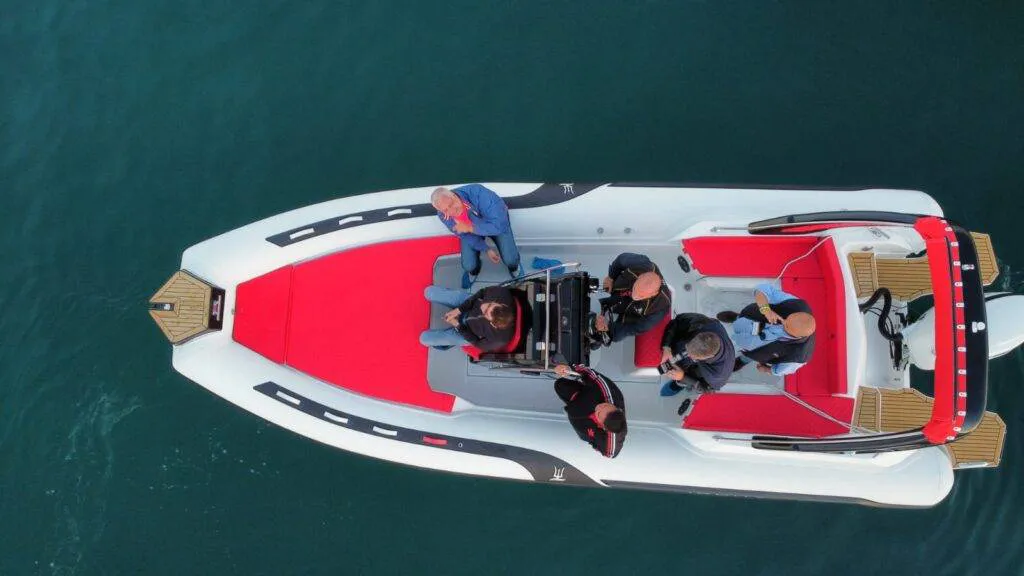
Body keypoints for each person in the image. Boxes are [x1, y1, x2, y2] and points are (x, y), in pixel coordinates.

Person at [432, 184, 521, 289]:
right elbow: (465, 235)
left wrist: (470, 228)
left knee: (511, 260)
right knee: (468, 265)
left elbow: (500, 225)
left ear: (454, 195)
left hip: (496, 224)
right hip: (471, 229)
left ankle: (514, 268)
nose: (451, 211)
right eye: (446, 210)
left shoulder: (480, 194)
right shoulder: (443, 215)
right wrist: (486, 249)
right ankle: (474, 271)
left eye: (451, 204)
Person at [717, 282, 816, 376]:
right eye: (787, 318)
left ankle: (742, 360)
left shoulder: (799, 357)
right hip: (753, 318)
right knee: (743, 320)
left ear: (797, 336)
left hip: (759, 350)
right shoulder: (797, 304)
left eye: (786, 326)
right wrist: (766, 310)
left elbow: (780, 371)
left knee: (751, 355)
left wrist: (766, 369)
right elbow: (763, 289)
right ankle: (737, 318)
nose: (782, 322)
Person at [589, 253, 671, 348]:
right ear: (640, 277)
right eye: (636, 289)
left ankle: (595, 340)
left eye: (641, 295)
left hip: (630, 315)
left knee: (615, 336)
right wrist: (611, 277)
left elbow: (636, 328)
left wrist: (607, 328)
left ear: (654, 293)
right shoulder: (643, 263)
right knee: (595, 301)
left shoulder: (661, 308)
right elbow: (620, 260)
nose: (635, 296)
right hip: (619, 292)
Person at [552, 364, 627, 458]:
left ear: (603, 427)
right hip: (584, 399)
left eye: (598, 413)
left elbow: (610, 454)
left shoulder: (610, 443)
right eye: (605, 405)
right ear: (616, 408)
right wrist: (568, 369)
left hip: (584, 425)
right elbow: (589, 373)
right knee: (560, 385)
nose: (599, 407)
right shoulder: (609, 392)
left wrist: (593, 443)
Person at [657, 313, 736, 397]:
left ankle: (678, 384)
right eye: (687, 347)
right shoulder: (704, 323)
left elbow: (707, 389)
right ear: (699, 335)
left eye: (693, 357)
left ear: (710, 356)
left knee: (691, 376)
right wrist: (666, 347)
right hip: (684, 346)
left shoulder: (719, 375)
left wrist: (683, 377)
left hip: (697, 371)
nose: (686, 354)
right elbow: (676, 322)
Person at [419, 285, 517, 351]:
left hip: (469, 331)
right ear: (501, 304)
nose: (483, 307)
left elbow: (477, 343)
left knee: (424, 339)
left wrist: (457, 325)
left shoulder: (499, 340)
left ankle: (447, 343)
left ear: (493, 324)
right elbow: (482, 292)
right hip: (470, 303)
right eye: (490, 304)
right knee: (428, 292)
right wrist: (459, 310)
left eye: (486, 313)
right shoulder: (501, 292)